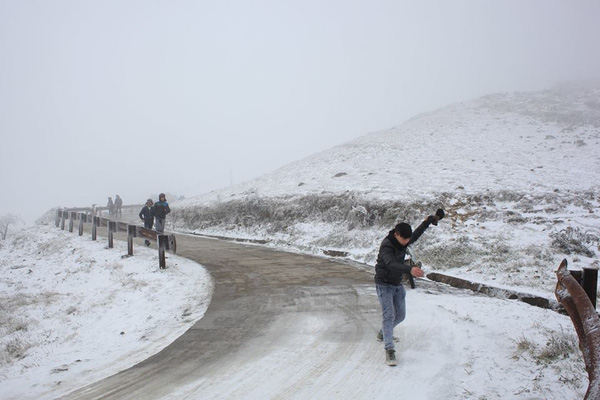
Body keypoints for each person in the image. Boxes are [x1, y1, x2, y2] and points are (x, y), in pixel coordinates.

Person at [374, 208, 445, 366]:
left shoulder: (404, 239)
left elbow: (417, 233)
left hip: (396, 284)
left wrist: (428, 221)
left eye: (408, 240)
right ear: (396, 234)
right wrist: (409, 270)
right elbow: (391, 264)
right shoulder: (386, 246)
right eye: (404, 240)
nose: (407, 242)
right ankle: (390, 351)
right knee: (389, 316)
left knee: (401, 316)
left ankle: (383, 333)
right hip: (383, 284)